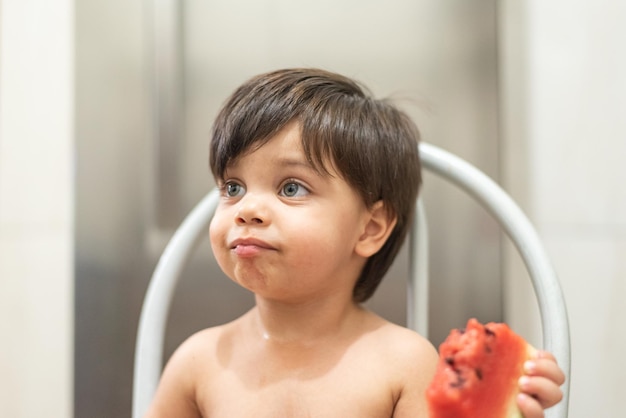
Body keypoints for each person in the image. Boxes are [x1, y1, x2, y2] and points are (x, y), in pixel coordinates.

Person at [144, 68, 565, 417]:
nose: (246, 208)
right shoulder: (198, 362)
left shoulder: (402, 363)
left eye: (291, 188)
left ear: (369, 229)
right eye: (233, 187)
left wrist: (502, 409)